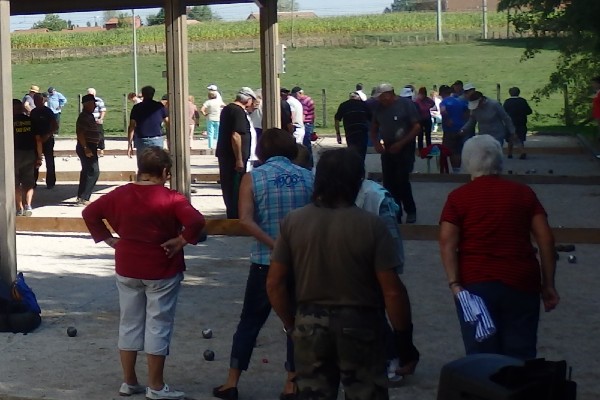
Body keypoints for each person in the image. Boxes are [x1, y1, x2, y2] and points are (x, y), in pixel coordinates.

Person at [267, 148, 419, 400]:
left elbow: (274, 283)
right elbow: (392, 291)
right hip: (361, 324)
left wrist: (292, 325)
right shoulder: (372, 226)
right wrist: (404, 341)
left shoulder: (294, 221)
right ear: (357, 181)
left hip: (309, 324)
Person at [82, 146, 205, 400]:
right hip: (162, 266)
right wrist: (181, 240)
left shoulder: (119, 194)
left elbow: (89, 213)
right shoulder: (172, 198)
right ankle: (156, 386)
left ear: (140, 170)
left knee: (129, 322)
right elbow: (196, 221)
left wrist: (108, 239)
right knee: (158, 324)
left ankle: (129, 381)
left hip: (126, 264)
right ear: (165, 171)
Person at [213, 128, 314, 400]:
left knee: (249, 321)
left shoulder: (253, 178)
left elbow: (245, 219)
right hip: (299, 261)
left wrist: (273, 244)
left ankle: (232, 381)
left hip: (263, 260)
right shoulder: (307, 177)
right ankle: (291, 382)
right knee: (295, 322)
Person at [439, 134, 559, 359]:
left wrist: (454, 283)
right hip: (521, 280)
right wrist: (548, 283)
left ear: (468, 162)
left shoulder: (458, 198)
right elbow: (546, 239)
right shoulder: (523, 193)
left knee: (481, 354)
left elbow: (447, 242)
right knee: (520, 352)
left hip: (476, 282)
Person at [369, 83, 421, 224]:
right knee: (389, 181)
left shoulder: (406, 105)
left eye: (381, 97)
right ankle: (394, 212)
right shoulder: (379, 108)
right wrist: (376, 143)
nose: (380, 100)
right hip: (388, 146)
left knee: (402, 180)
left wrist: (401, 143)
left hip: (405, 146)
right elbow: (373, 128)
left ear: (389, 94)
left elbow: (416, 127)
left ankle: (410, 210)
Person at [216, 87, 256, 219]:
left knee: (230, 188)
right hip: (233, 158)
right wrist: (239, 158)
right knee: (235, 188)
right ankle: (236, 216)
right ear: (248, 99)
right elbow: (236, 135)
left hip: (228, 156)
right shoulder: (237, 111)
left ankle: (233, 214)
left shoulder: (228, 109)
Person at [13, 99, 42, 216]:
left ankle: (19, 208)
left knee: (14, 183)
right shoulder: (31, 121)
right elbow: (38, 140)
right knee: (28, 182)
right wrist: (39, 156)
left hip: (13, 155)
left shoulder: (6, 122)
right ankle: (28, 206)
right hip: (29, 154)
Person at [127, 86, 169, 161]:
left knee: (143, 165)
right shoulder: (159, 106)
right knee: (158, 164)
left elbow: (131, 127)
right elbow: (168, 123)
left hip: (141, 139)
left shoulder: (137, 107)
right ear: (153, 94)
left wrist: (129, 144)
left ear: (142, 94)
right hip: (157, 139)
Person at [75, 94, 103, 206]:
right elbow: (80, 133)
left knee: (87, 171)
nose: (95, 105)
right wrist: (86, 148)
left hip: (90, 146)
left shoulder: (89, 116)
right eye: (93, 103)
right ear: (87, 104)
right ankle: (84, 197)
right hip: (87, 146)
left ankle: (81, 196)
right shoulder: (84, 117)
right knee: (94, 171)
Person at [30, 93, 59, 189]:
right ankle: (33, 182)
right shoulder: (33, 112)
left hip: (47, 138)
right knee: (35, 161)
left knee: (49, 161)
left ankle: (51, 182)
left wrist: (48, 135)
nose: (36, 102)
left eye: (38, 100)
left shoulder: (48, 111)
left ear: (42, 100)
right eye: (35, 100)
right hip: (35, 139)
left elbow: (55, 125)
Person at [439, 84, 469, 173]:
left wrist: (447, 119)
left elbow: (443, 111)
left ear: (442, 93)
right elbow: (467, 110)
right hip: (460, 128)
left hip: (449, 130)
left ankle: (444, 171)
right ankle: (457, 170)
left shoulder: (443, 102)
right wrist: (464, 120)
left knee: (447, 150)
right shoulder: (459, 101)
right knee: (457, 151)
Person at [334, 91, 371, 162]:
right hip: (362, 132)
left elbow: (337, 119)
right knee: (361, 155)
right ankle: (360, 169)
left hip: (350, 133)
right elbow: (372, 119)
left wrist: (338, 134)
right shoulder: (364, 105)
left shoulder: (344, 105)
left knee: (352, 154)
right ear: (358, 98)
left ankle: (353, 169)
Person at [503, 87, 533, 159]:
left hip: (510, 122)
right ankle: (521, 151)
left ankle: (510, 153)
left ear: (510, 93)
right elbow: (529, 111)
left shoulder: (507, 102)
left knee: (510, 137)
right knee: (520, 137)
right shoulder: (522, 101)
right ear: (519, 92)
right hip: (521, 122)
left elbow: (503, 112)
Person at [291, 86, 315, 167]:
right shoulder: (309, 99)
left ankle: (307, 164)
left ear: (299, 93)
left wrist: (299, 124)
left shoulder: (304, 101)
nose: (294, 97)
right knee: (307, 145)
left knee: (305, 145)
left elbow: (303, 115)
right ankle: (310, 164)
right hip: (310, 123)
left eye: (295, 95)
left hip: (305, 124)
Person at [87, 88, 107, 157]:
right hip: (89, 121)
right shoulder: (86, 101)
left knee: (100, 136)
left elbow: (103, 110)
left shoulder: (99, 100)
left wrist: (101, 118)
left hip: (97, 120)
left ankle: (101, 150)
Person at [415, 87, 436, 151]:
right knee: (420, 135)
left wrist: (429, 106)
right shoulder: (417, 101)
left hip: (427, 119)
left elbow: (433, 103)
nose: (422, 95)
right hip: (420, 119)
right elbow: (419, 108)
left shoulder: (427, 99)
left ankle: (429, 149)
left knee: (428, 135)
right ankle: (421, 150)